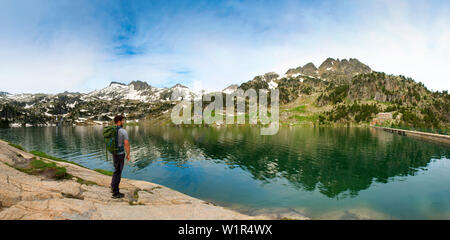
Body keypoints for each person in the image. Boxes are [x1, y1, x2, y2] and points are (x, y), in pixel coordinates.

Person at [111, 115, 130, 198]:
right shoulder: (123, 131)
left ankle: (113, 187)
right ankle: (116, 192)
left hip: (114, 153)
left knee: (116, 170)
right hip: (120, 154)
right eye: (122, 120)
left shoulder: (112, 130)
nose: (123, 122)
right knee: (118, 172)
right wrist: (128, 154)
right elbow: (126, 144)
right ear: (119, 121)